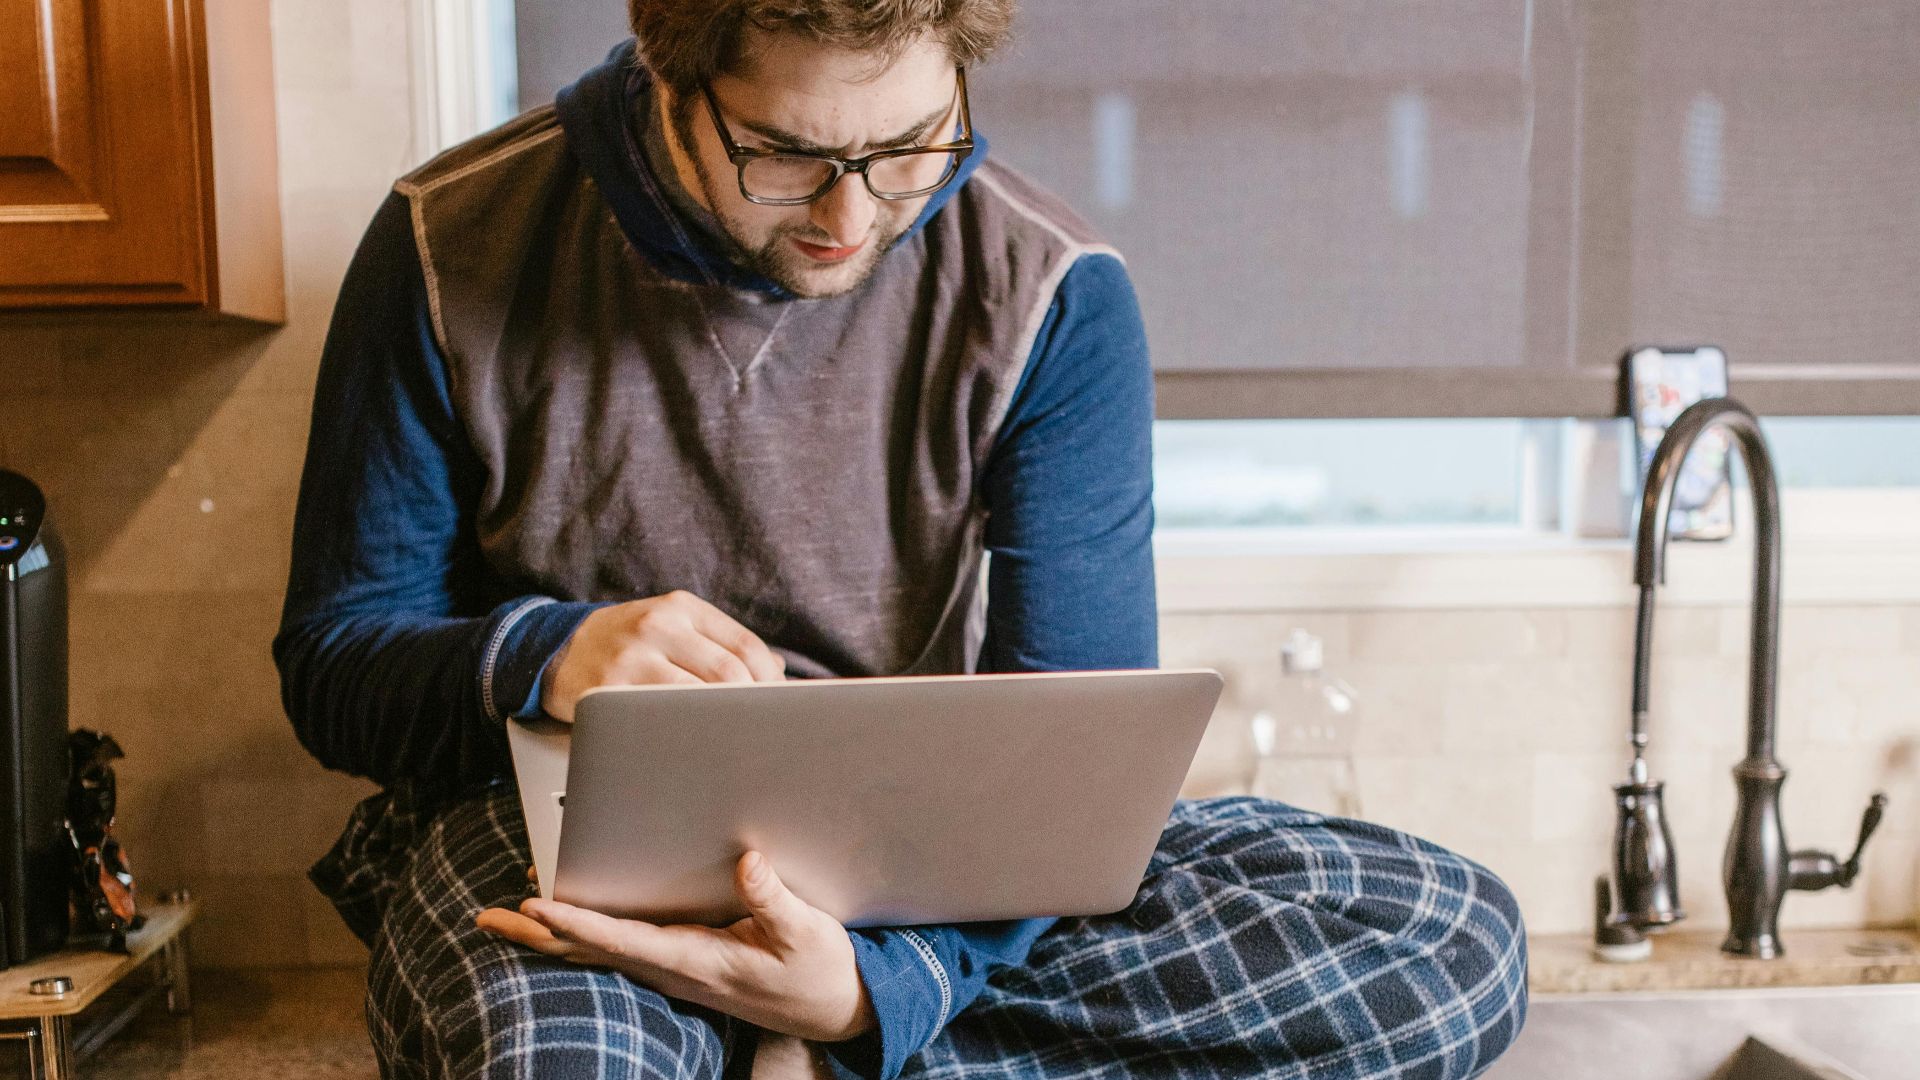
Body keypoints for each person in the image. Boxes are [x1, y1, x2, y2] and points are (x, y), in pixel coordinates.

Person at [274, 2, 1529, 1077]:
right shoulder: (448, 242)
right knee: (569, 1062)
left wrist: (879, 990)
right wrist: (545, 656)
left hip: (939, 863)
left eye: (913, 146)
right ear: (670, 71)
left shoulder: (1053, 292)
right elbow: (335, 670)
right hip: (556, 849)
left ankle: (819, 1044)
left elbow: (1071, 745)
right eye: (787, 154)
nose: (851, 215)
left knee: (1448, 943)